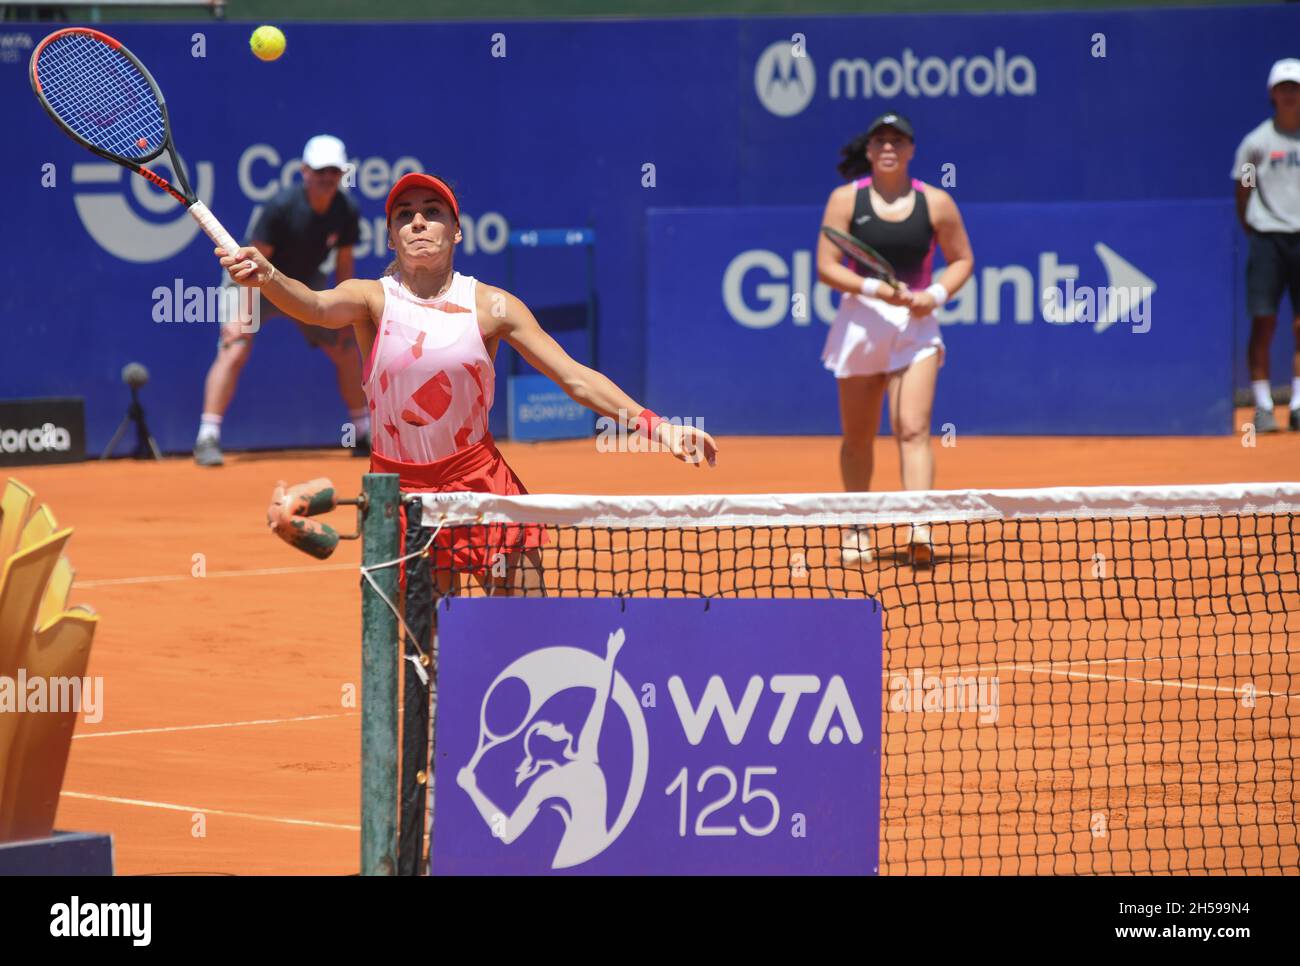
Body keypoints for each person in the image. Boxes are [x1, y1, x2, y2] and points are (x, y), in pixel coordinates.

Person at [217, 172, 717, 592]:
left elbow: (575, 378)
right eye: (403, 215)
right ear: (391, 236)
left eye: (432, 211)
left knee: (529, 631)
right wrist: (270, 279)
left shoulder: (492, 306)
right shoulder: (370, 299)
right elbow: (314, 305)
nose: (417, 221)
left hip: (479, 482)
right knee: (426, 657)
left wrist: (660, 428)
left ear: (456, 231)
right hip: (400, 493)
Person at [817, 113, 974, 566]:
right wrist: (875, 288)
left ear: (910, 150)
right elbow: (827, 266)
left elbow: (962, 259)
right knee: (858, 438)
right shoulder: (846, 199)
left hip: (916, 330)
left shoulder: (937, 203)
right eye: (880, 140)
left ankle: (919, 523)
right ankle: (858, 526)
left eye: (898, 140)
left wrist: (936, 293)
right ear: (869, 151)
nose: (889, 147)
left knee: (913, 428)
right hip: (861, 327)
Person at [194, 134, 364, 466]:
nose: (327, 178)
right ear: (305, 171)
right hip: (252, 280)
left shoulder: (346, 210)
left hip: (302, 286)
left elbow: (345, 264)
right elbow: (249, 263)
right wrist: (242, 318)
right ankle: (207, 437)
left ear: (342, 174)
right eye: (320, 171)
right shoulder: (281, 207)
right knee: (235, 347)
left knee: (346, 347)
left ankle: (363, 431)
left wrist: (346, 313)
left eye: (334, 171)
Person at [1233, 58, 1300, 433]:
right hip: (1268, 240)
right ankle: (1262, 407)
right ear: (1273, 94)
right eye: (1284, 88)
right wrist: (1257, 229)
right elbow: (1243, 191)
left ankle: (1298, 405)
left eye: (1296, 87)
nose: (1290, 94)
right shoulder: (1255, 145)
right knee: (1265, 321)